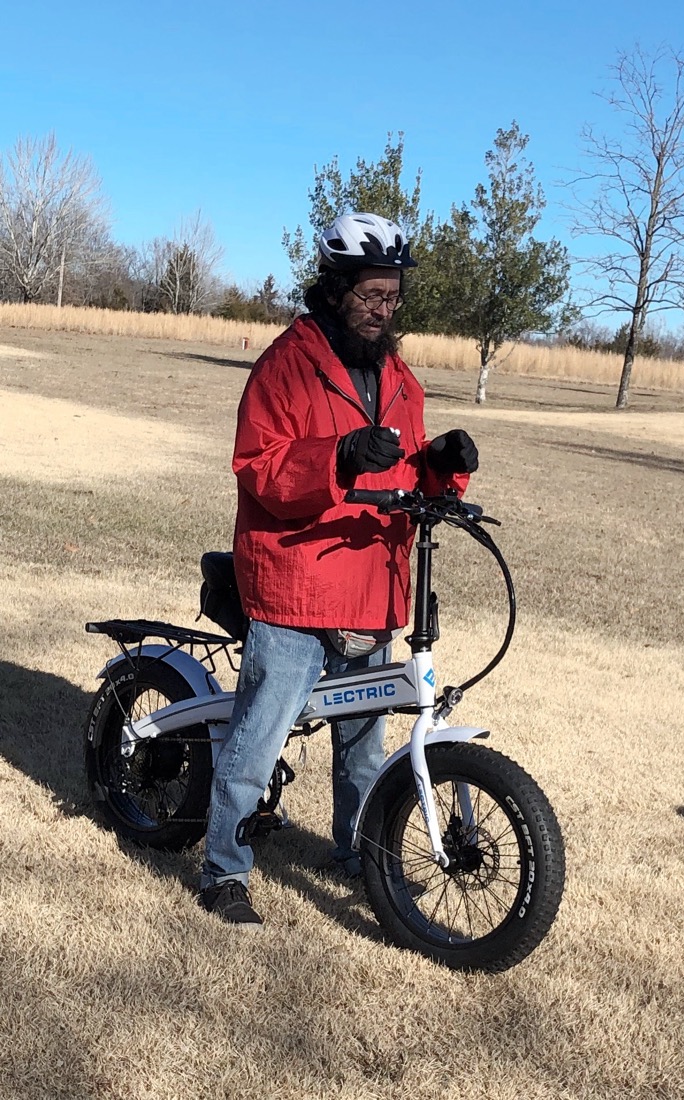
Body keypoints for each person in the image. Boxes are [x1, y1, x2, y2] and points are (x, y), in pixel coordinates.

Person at [199, 212, 479, 929]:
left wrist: (444, 469)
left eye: (392, 298)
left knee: (362, 750)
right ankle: (224, 872)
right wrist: (336, 457)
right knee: (257, 741)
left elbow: (403, 466)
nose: (383, 311)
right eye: (371, 296)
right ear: (335, 289)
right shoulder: (285, 366)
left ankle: (360, 856)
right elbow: (258, 468)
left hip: (370, 588)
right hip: (297, 583)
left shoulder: (399, 378)